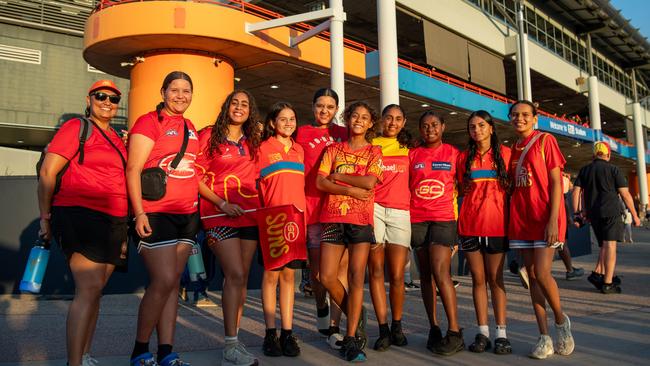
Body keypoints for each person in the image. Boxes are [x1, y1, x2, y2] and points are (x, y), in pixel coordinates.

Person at [38, 80, 127, 366]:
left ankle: (85, 355)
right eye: (101, 96)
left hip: (114, 218)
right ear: (89, 99)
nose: (107, 102)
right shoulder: (76, 128)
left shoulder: (116, 137)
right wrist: (45, 217)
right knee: (88, 288)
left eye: (114, 99)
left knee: (96, 291)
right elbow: (48, 173)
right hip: (78, 212)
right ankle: (74, 362)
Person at [127, 71, 199, 366]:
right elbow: (133, 169)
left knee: (173, 284)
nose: (180, 95)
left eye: (186, 90)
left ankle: (166, 351)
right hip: (156, 213)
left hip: (187, 214)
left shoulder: (190, 126)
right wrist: (139, 212)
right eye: (175, 90)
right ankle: (140, 350)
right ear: (163, 92)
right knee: (163, 280)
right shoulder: (149, 121)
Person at [195, 89, 261, 366]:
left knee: (241, 278)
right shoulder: (208, 135)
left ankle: (233, 341)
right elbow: (195, 176)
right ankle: (230, 346)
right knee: (233, 273)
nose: (239, 107)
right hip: (217, 215)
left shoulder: (255, 141)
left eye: (245, 104)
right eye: (235, 102)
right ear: (226, 106)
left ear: (250, 111)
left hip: (250, 215)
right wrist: (221, 204)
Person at [316, 101, 383, 362]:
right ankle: (355, 311)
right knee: (326, 276)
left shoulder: (374, 151)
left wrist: (338, 177)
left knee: (356, 279)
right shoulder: (333, 149)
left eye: (364, 117)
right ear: (347, 119)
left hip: (360, 220)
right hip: (333, 216)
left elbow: (369, 182)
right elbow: (320, 181)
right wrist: (348, 190)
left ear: (370, 124)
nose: (358, 120)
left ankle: (352, 337)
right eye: (354, 115)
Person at [508, 100, 574, 360]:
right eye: (514, 115)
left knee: (543, 272)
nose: (519, 119)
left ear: (535, 118)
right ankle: (544, 336)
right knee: (532, 276)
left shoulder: (546, 141)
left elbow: (557, 182)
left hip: (545, 216)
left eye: (525, 115)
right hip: (522, 220)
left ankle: (561, 322)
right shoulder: (512, 148)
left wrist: (553, 221)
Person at [457, 110, 512, 355]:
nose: (476, 130)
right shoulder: (462, 158)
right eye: (472, 127)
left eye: (481, 125)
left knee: (495, 279)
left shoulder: (507, 155)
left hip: (497, 227)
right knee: (478, 281)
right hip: (469, 227)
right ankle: (483, 331)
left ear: (491, 128)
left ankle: (501, 333)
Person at [295, 88, 348, 345]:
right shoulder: (301, 132)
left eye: (329, 106)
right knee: (317, 274)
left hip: (341, 210)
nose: (324, 111)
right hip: (313, 209)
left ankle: (336, 326)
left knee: (339, 272)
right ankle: (321, 308)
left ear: (336, 109)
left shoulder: (345, 134)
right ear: (313, 106)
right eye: (320, 106)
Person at [409, 110, 463, 356]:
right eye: (425, 125)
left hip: (443, 220)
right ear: (420, 130)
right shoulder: (413, 155)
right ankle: (434, 327)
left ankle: (455, 331)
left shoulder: (454, 154)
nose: (429, 129)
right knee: (426, 277)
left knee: (442, 273)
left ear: (443, 126)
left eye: (434, 124)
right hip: (417, 220)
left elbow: (464, 186)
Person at [257, 102, 305, 357]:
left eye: (292, 118)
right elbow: (255, 187)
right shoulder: (263, 149)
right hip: (272, 221)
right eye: (283, 119)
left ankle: (287, 333)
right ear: (273, 123)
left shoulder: (300, 151)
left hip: (296, 223)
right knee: (271, 277)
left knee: (289, 278)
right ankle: (270, 334)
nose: (288, 123)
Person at [368, 104, 412, 351]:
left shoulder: (409, 149)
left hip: (400, 212)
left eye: (397, 119)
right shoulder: (370, 143)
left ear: (404, 122)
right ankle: (383, 328)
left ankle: (397, 325)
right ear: (381, 120)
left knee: (396, 275)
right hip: (373, 209)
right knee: (375, 271)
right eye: (388, 118)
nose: (392, 123)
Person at [571, 141, 640, 294]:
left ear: (594, 155)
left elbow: (576, 192)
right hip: (611, 212)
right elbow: (625, 194)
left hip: (593, 214)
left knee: (603, 245)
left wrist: (577, 214)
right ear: (608, 155)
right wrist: (635, 215)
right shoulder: (614, 169)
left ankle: (598, 274)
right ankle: (608, 283)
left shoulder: (585, 170)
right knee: (610, 246)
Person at [560, 173, 584, 281]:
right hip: (557, 216)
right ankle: (570, 271)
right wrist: (569, 216)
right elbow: (563, 200)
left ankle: (526, 268)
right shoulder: (559, 178)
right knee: (561, 243)